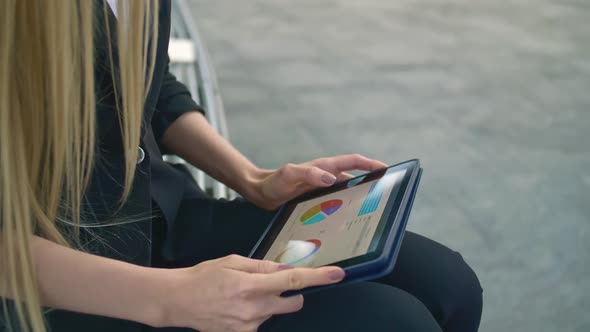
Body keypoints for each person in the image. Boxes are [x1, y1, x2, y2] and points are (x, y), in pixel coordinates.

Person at [0, 1, 482, 331]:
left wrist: (253, 180)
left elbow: (145, 77)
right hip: (64, 283)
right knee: (396, 323)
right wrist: (170, 298)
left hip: (162, 213)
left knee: (450, 287)